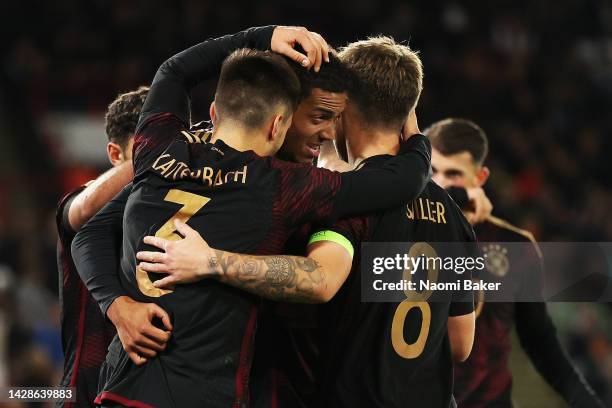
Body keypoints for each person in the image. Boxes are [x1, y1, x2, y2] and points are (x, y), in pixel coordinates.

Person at [72, 26, 432, 407]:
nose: (327, 132)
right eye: (318, 117)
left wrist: (265, 36)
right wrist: (117, 305)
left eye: (334, 119)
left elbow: (174, 71)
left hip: (143, 391)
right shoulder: (295, 187)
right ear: (282, 118)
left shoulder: (164, 152)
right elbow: (463, 331)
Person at [427, 118, 604, 408]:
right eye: (432, 170)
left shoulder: (517, 248)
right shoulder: (401, 232)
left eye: (453, 173)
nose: (440, 182)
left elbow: (540, 342)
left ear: (479, 178)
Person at [55, 86, 154, 408]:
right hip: (83, 390)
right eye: (147, 148)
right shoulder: (79, 201)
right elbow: (83, 210)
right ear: (115, 155)